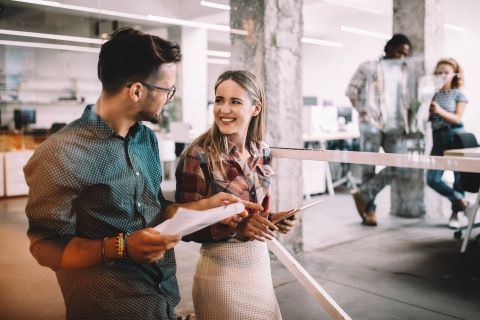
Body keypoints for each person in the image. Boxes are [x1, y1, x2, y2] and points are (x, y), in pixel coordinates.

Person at [23, 28, 261, 320]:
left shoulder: (145, 141)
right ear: (136, 91)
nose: (169, 99)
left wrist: (204, 208)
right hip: (109, 308)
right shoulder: (59, 153)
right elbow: (47, 248)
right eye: (167, 90)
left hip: (160, 300)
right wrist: (121, 247)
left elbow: (155, 210)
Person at [175, 70, 296, 319]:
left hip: (259, 268)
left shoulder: (261, 151)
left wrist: (272, 219)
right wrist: (237, 228)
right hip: (220, 274)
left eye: (235, 101)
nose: (223, 109)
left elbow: (255, 212)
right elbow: (183, 227)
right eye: (219, 100)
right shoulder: (198, 155)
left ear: (255, 108)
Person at [346, 33, 413, 226]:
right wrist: (365, 113)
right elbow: (351, 91)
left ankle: (363, 195)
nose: (401, 57)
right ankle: (370, 211)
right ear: (389, 49)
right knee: (368, 168)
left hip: (393, 127)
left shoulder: (401, 72)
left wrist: (405, 126)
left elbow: (404, 102)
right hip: (371, 125)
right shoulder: (368, 66)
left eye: (405, 54)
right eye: (399, 52)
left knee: (400, 162)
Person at [426, 58, 469, 229]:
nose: (442, 75)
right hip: (438, 138)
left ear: (454, 74)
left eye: (446, 72)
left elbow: (457, 118)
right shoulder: (432, 94)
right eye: (438, 72)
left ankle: (455, 214)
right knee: (432, 178)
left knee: (459, 178)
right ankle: (459, 199)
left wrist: (439, 110)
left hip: (455, 136)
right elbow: (429, 119)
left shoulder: (459, 93)